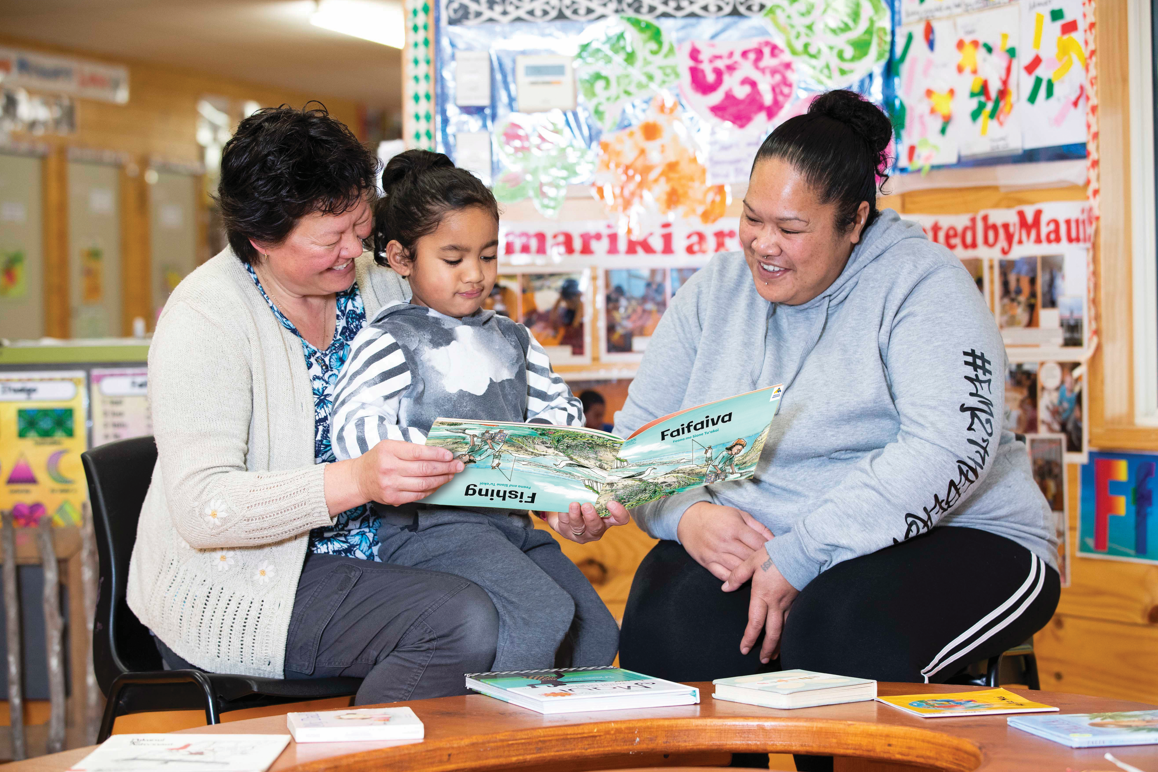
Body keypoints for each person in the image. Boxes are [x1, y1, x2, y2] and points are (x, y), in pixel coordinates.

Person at [601, 92, 1060, 697]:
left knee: (835, 638)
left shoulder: (925, 285)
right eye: (752, 218)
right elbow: (637, 449)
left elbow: (947, 449)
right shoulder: (715, 290)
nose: (764, 244)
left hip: (954, 533)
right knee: (671, 621)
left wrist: (802, 554)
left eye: (791, 229)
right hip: (766, 538)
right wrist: (686, 516)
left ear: (855, 222)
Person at [128, 105, 503, 706]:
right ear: (262, 241)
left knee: (547, 602)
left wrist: (555, 485)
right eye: (332, 239)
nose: (356, 249)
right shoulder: (207, 317)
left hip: (386, 548)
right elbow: (205, 509)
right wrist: (355, 479)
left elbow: (477, 386)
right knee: (460, 620)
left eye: (362, 226)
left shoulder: (375, 284)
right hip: (250, 581)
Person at [329, 150, 623, 671]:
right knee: (539, 611)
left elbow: (556, 412)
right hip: (432, 531)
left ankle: (566, 741)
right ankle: (500, 732)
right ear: (401, 259)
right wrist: (433, 457)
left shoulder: (514, 338)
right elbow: (354, 428)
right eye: (453, 258)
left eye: (487, 256)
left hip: (511, 524)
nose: (475, 274)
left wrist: (564, 473)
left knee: (593, 628)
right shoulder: (392, 337)